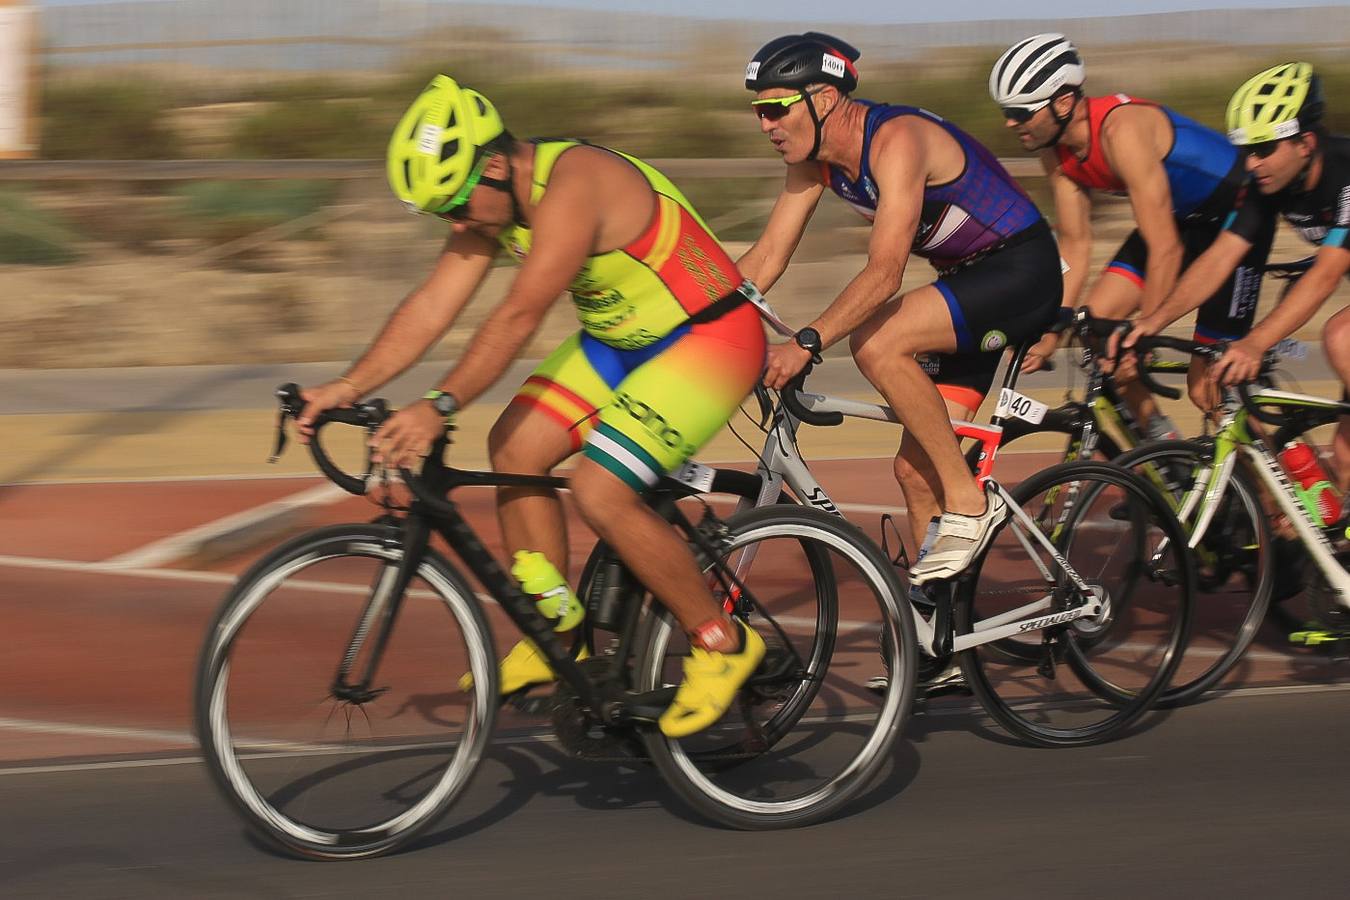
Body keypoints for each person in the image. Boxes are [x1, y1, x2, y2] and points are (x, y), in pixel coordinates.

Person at [296, 75, 768, 738]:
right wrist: (349, 385)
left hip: (708, 336)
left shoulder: (572, 185)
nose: (457, 225)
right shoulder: (491, 197)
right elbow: (433, 304)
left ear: (493, 164)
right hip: (620, 340)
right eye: (444, 216)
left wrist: (439, 402)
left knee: (599, 490)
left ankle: (722, 642)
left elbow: (518, 315)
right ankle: (559, 630)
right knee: (514, 447)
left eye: (457, 207)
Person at [740, 33, 1061, 592]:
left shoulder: (897, 140)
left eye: (774, 109)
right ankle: (939, 641)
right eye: (758, 111)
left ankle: (970, 501)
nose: (765, 126)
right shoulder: (816, 161)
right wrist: (691, 321)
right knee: (914, 473)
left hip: (1020, 272)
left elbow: (885, 275)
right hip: (969, 288)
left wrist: (807, 341)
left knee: (876, 342)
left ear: (822, 100)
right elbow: (764, 259)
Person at [991, 33, 1275, 426]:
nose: (1010, 122)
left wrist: (1143, 340)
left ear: (1063, 102)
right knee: (1096, 331)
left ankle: (1274, 484)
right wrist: (1053, 328)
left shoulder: (1121, 132)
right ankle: (1166, 458)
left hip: (1236, 221)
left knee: (1207, 385)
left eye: (1021, 112)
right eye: (1007, 110)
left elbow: (1166, 251)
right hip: (1183, 221)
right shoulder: (1057, 153)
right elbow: (1074, 245)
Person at [1123, 63, 1350, 479]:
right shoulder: (1268, 183)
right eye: (1246, 150)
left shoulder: (1347, 174)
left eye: (1263, 149)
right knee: (1347, 461)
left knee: (1341, 336)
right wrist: (1151, 322)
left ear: (1305, 142)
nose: (1252, 162)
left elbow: (1326, 274)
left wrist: (1256, 342)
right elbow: (1220, 256)